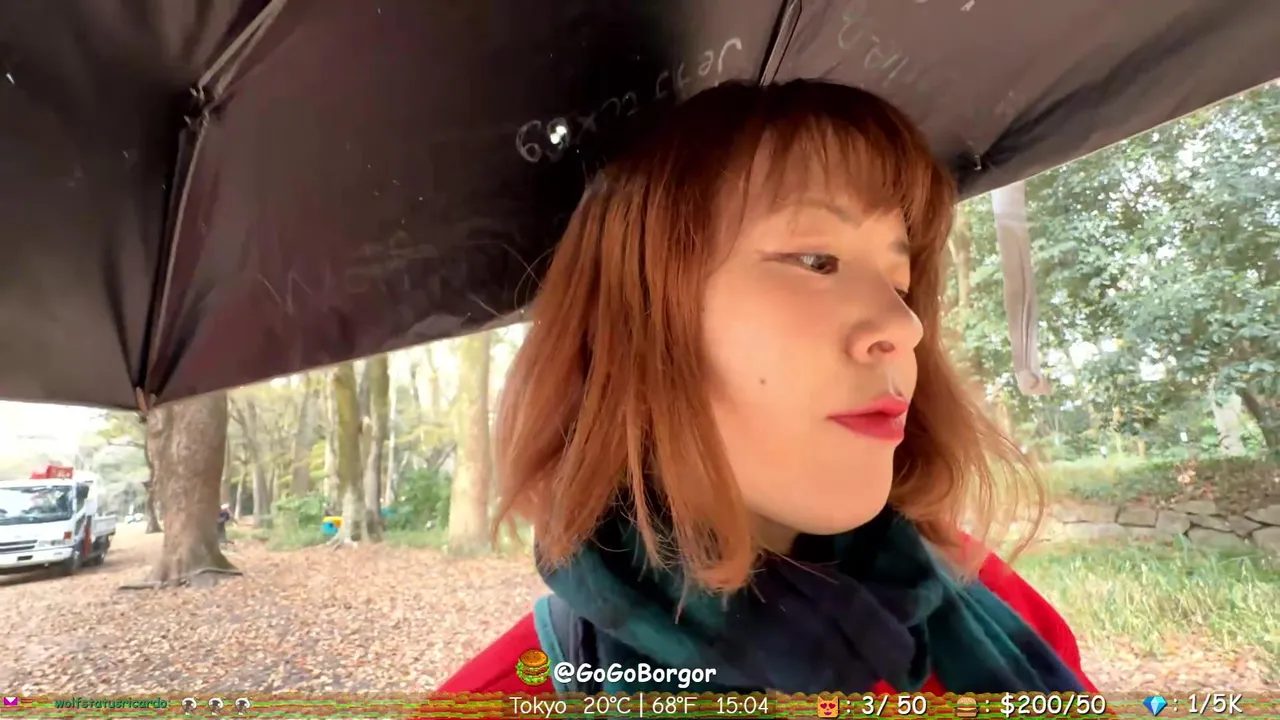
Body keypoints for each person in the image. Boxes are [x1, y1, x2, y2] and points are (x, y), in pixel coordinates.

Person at [439, 80, 1097, 696]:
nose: (905, 325)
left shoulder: (1003, 609)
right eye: (817, 261)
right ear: (637, 326)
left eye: (898, 284)